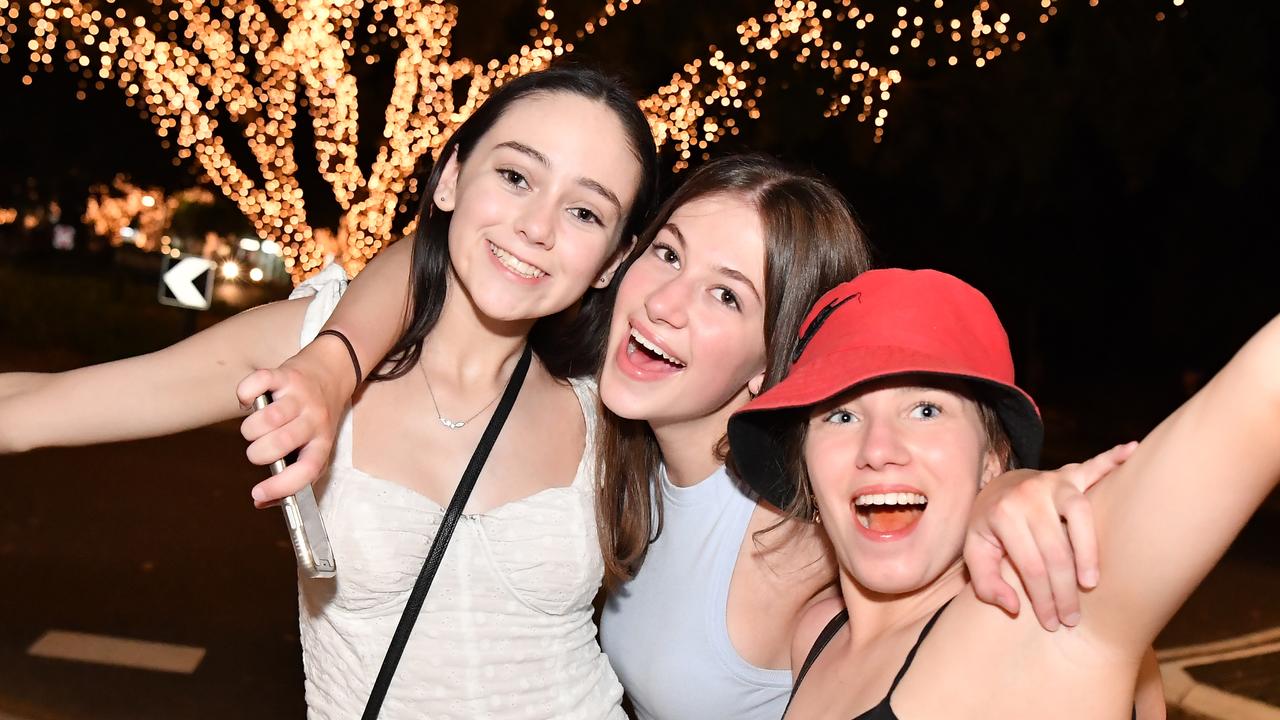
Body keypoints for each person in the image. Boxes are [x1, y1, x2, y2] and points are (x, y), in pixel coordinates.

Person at [245, 154, 1160, 718]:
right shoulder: (609, 437)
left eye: (729, 294)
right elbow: (436, 262)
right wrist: (331, 362)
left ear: (774, 363)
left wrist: (1004, 498)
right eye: (668, 254)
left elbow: (1063, 628)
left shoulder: (798, 528)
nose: (667, 303)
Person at [0, 64, 660, 719]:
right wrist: (334, 361)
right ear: (452, 177)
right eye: (515, 176)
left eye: (583, 211)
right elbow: (35, 410)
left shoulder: (613, 408)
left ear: (611, 261)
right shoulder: (312, 346)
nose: (537, 226)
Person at [727, 268, 1280, 719]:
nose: (878, 448)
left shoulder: (1037, 615)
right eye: (841, 415)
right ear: (807, 474)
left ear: (990, 461)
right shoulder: (816, 635)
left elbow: (1261, 395)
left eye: (926, 409)